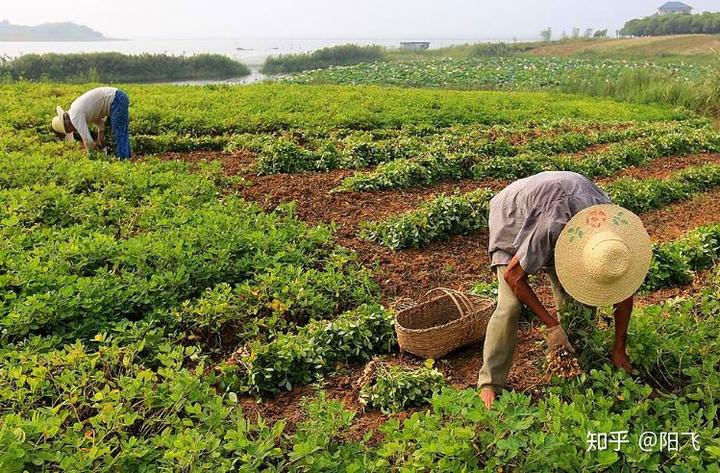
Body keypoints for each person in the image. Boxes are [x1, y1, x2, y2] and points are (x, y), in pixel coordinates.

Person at [477, 171, 652, 409]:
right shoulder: (550, 226)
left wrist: (619, 348)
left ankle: (577, 352)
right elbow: (514, 277)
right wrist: (552, 327)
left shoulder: (612, 240)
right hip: (513, 215)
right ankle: (490, 382)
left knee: (576, 298)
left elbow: (623, 296)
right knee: (510, 306)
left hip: (559, 207)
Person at [51, 87, 131, 160]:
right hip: (117, 98)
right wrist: (100, 135)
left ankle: (124, 160)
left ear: (67, 126)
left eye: (69, 131)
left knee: (118, 133)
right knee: (114, 134)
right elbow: (97, 118)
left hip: (116, 100)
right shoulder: (76, 111)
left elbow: (87, 140)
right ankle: (126, 156)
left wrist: (91, 155)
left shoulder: (74, 117)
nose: (73, 131)